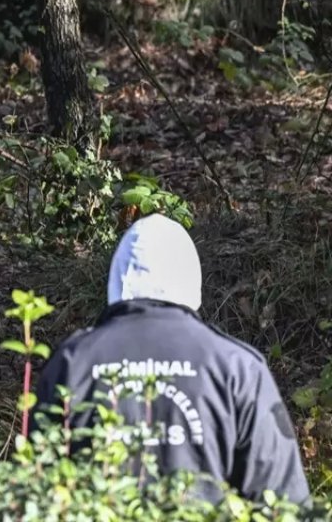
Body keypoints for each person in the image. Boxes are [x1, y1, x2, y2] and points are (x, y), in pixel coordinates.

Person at [32, 213, 310, 504]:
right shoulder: (238, 367)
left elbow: (36, 493)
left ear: (116, 280)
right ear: (191, 281)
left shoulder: (72, 362)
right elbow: (285, 504)